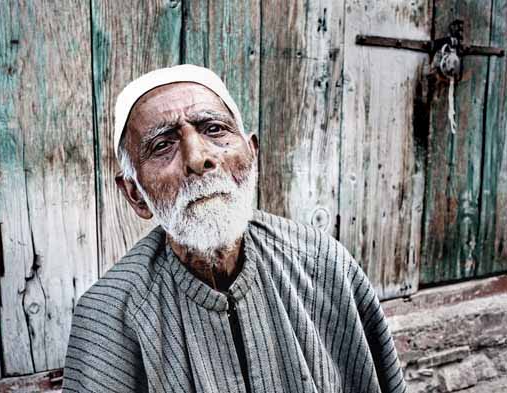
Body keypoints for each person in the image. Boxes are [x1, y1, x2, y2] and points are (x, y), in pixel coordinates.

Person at [62, 64, 407, 393]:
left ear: (252, 154)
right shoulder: (108, 316)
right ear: (135, 194)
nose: (198, 158)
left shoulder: (322, 264)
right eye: (163, 144)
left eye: (214, 129)